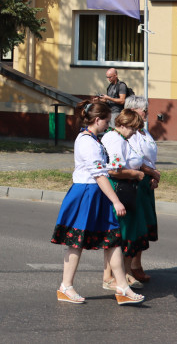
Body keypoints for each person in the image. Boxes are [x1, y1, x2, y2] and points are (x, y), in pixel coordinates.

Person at [51, 100, 143, 305]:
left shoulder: (94, 139)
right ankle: (65, 287)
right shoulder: (86, 141)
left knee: (112, 240)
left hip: (96, 194)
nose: (108, 125)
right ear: (97, 119)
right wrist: (116, 201)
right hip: (86, 194)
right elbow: (100, 175)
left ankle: (122, 287)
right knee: (77, 242)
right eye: (106, 121)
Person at [100, 108, 151, 290]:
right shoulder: (115, 139)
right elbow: (114, 170)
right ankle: (112, 277)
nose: (134, 132)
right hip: (121, 187)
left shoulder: (122, 138)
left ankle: (123, 274)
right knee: (119, 233)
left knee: (129, 233)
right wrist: (135, 174)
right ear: (123, 125)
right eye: (133, 128)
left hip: (128, 187)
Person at [125, 95, 160, 283]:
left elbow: (150, 158)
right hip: (136, 181)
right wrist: (152, 173)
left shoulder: (145, 132)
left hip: (147, 182)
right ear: (132, 110)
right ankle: (128, 268)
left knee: (144, 226)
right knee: (136, 226)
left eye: (146, 109)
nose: (146, 112)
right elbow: (134, 159)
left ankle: (137, 264)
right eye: (143, 109)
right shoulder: (132, 134)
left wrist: (154, 176)